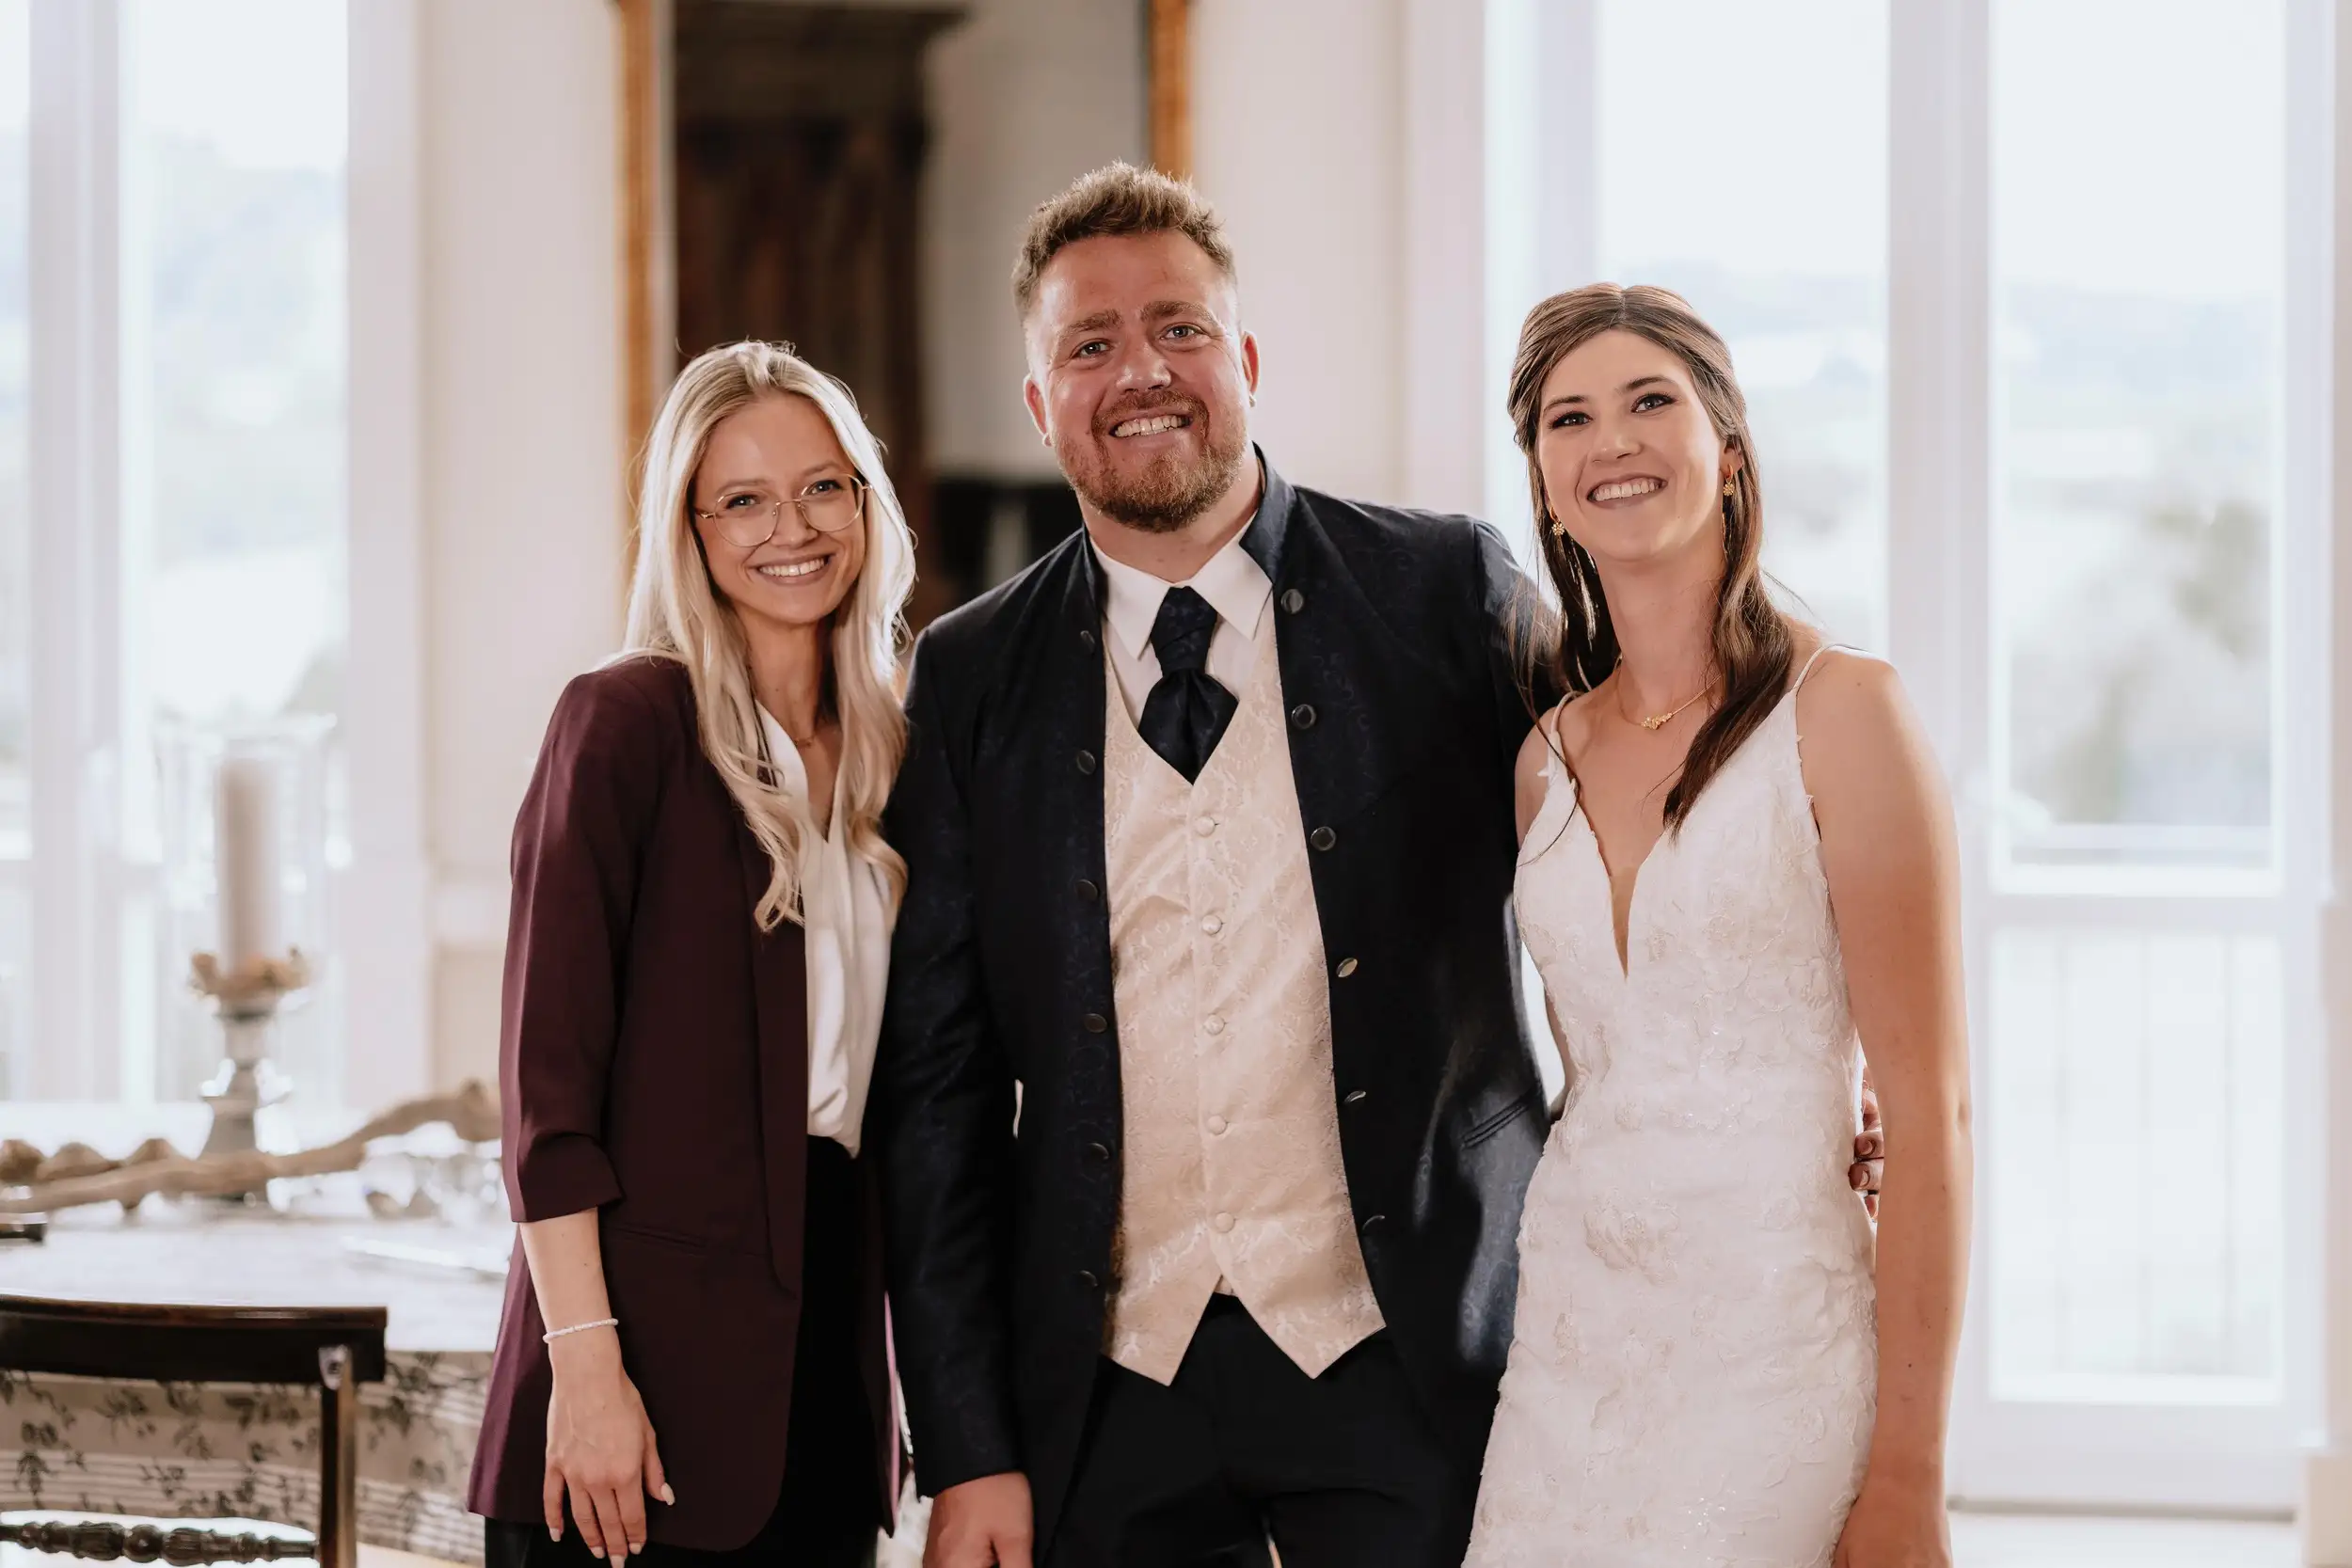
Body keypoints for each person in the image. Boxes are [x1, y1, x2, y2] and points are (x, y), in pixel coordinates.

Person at [870, 167, 1882, 1568]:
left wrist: (1819, 1062)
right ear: (1043, 403)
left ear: (1249, 363)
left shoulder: (1445, 590)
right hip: (1107, 1387)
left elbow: (1664, 763)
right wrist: (969, 1444)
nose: (1141, 370)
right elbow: (939, 1090)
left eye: (1180, 327)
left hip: (1417, 1345)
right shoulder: (969, 672)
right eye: (1088, 345)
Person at [1464, 285, 1972, 1568]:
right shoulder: (1542, 760)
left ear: (1729, 452)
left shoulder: (1845, 712)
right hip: (1571, 1349)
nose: (1611, 442)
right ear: (1541, 476)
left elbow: (1931, 1110)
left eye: (1651, 402)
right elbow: (1600, 1074)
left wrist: (1910, 1473)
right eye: (1568, 417)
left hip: (1776, 1345)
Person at [466, 341, 916, 1567]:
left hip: (824, 1372)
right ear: (691, 526)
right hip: (634, 1385)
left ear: (867, 504)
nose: (795, 527)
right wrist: (590, 1370)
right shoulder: (622, 726)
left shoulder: (893, 754)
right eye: (746, 499)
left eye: (825, 486)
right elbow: (547, 1104)